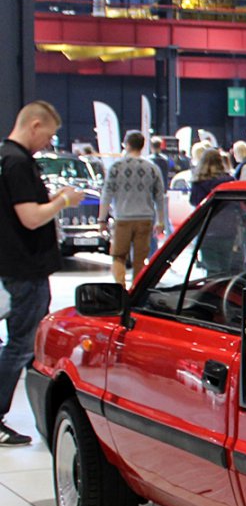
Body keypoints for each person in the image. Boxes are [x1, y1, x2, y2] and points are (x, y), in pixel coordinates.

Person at [0, 101, 84, 446]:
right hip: (25, 266)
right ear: (34, 125)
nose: (48, 141)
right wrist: (63, 201)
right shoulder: (17, 163)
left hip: (17, 265)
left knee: (21, 344)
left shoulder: (8, 158)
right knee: (21, 345)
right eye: (48, 134)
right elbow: (31, 217)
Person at [100, 130, 166, 287]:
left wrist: (102, 219)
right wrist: (161, 221)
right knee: (140, 259)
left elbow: (106, 194)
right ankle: (136, 291)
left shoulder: (116, 167)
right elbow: (160, 197)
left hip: (123, 218)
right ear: (143, 146)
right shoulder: (152, 168)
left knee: (118, 256)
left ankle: (121, 289)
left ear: (127, 145)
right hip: (145, 219)